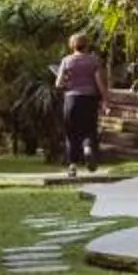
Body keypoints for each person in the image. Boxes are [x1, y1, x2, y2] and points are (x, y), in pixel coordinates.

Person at [54, 34, 106, 173]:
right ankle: (87, 148)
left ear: (72, 45)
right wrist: (105, 100)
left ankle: (72, 166)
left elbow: (58, 84)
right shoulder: (94, 60)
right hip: (89, 99)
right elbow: (99, 82)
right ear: (87, 45)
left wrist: (67, 81)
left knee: (71, 133)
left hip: (71, 100)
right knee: (89, 130)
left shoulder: (66, 61)